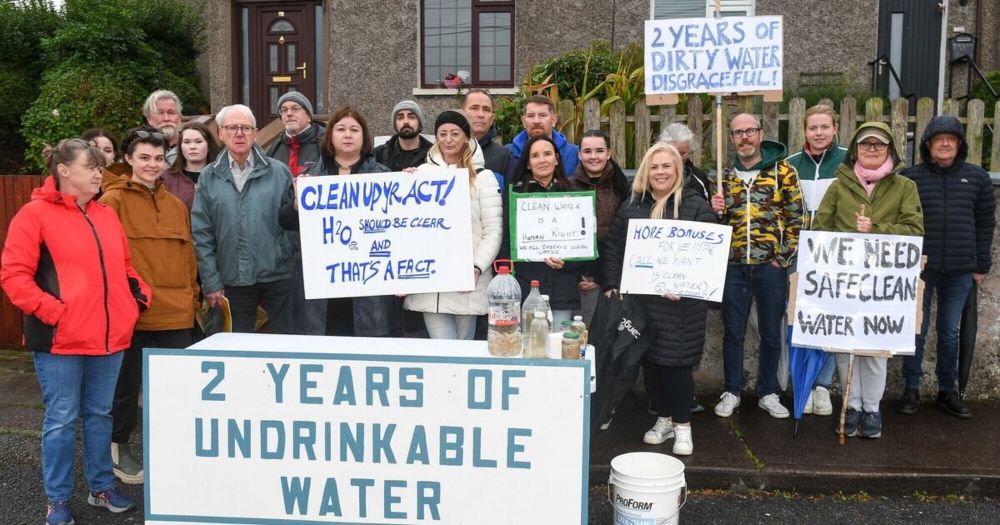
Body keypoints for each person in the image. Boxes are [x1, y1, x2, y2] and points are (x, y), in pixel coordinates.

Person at [1, 139, 150, 524]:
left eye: (101, 167)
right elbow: (14, 275)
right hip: (60, 338)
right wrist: (54, 312)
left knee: (100, 414)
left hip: (109, 336)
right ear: (64, 171)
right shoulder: (33, 215)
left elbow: (126, 267)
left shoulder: (105, 214)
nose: (100, 173)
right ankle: (58, 500)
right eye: (92, 166)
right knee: (62, 418)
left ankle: (101, 488)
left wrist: (136, 300)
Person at [99, 127, 199, 485]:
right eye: (144, 157)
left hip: (176, 312)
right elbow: (107, 259)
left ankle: (176, 450)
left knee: (179, 389)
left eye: (159, 158)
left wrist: (192, 300)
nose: (153, 165)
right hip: (133, 314)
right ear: (128, 159)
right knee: (125, 388)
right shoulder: (112, 201)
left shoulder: (175, 205)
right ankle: (119, 447)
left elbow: (188, 258)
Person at [603, 142, 716, 455]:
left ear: (677, 170)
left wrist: (685, 284)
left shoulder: (694, 205)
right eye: (654, 166)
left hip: (681, 307)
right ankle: (664, 419)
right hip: (643, 304)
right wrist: (612, 283)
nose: (660, 172)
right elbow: (614, 247)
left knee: (676, 368)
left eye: (667, 166)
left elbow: (710, 252)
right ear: (645, 171)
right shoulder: (632, 205)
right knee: (651, 366)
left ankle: (683, 427)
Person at [812, 122, 923, 438]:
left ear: (890, 149)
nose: (872, 149)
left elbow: (915, 231)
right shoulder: (838, 186)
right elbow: (821, 229)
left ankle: (872, 410)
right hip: (844, 281)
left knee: (874, 350)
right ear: (855, 150)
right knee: (844, 346)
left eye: (879, 144)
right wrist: (847, 242)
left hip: (882, 286)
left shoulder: (905, 188)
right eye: (865, 144)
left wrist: (877, 229)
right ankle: (851, 406)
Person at [897, 115, 997, 418]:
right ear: (927, 145)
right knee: (915, 330)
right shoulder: (909, 178)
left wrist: (981, 265)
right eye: (938, 139)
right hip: (918, 267)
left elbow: (985, 224)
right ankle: (911, 388)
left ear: (959, 144)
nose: (944, 143)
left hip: (960, 269)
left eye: (950, 139)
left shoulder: (978, 178)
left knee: (950, 332)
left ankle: (946, 390)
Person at [710, 113, 803, 419]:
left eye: (750, 131)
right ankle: (732, 391)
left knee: (770, 332)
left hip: (770, 267)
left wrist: (782, 258)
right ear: (731, 138)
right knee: (733, 332)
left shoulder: (783, 171)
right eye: (738, 133)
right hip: (734, 267)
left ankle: (768, 392)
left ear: (761, 134)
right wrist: (717, 211)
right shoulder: (723, 175)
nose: (744, 137)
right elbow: (716, 226)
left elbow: (797, 217)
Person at [278, 106, 402, 337]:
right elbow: (285, 221)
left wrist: (410, 185)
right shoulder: (310, 177)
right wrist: (297, 202)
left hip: (367, 287)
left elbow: (400, 229)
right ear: (331, 137)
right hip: (321, 286)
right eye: (341, 129)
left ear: (364, 137)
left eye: (354, 130)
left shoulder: (383, 177)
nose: (347, 134)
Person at [192, 104, 297, 334]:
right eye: (231, 128)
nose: (239, 133)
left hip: (278, 276)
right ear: (220, 133)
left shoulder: (279, 172)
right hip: (232, 279)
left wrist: (286, 259)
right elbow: (202, 233)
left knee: (285, 345)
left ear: (255, 133)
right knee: (238, 349)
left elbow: (293, 223)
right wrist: (210, 281)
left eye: (245, 128)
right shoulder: (209, 177)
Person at [403, 111, 502, 339]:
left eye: (455, 133)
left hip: (466, 279)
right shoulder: (421, 174)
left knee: (463, 347)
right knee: (442, 348)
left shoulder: (483, 178)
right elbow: (407, 227)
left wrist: (477, 266)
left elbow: (493, 230)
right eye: (442, 134)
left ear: (466, 138)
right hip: (431, 283)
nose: (448, 139)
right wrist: (404, 184)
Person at [785, 104, 849, 417]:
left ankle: (822, 384)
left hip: (836, 254)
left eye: (825, 127)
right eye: (813, 128)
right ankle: (803, 383)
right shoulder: (791, 164)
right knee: (799, 318)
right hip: (799, 253)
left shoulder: (849, 160)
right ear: (804, 130)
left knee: (829, 318)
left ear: (835, 128)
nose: (819, 133)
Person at [501, 135, 585, 327]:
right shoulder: (515, 192)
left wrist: (567, 263)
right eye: (535, 155)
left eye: (547, 154)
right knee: (530, 342)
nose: (542, 160)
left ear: (557, 158)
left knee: (559, 341)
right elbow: (506, 236)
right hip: (527, 282)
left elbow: (583, 243)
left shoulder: (574, 193)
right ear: (528, 163)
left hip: (563, 283)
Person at [572, 129, 629, 323]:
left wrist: (603, 278)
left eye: (599, 150)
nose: (593, 156)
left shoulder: (622, 187)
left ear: (609, 153)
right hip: (578, 277)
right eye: (587, 151)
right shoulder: (568, 187)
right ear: (579, 154)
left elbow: (623, 234)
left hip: (614, 276)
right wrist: (582, 275)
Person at [505, 95, 579, 181]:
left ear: (553, 120)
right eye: (531, 116)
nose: (536, 121)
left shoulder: (574, 154)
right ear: (523, 121)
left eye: (542, 115)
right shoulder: (508, 153)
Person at [162, 122, 219, 210]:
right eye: (187, 142)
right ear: (180, 147)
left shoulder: (222, 177)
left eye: (198, 141)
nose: (192, 147)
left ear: (209, 146)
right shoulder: (166, 179)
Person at [462, 88, 513, 185]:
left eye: (486, 109)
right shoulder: (445, 153)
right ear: (462, 113)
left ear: (492, 118)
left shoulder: (504, 156)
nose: (481, 114)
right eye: (474, 108)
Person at [267, 91, 324, 177]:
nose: (289, 114)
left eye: (295, 109)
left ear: (308, 116)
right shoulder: (275, 148)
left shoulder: (325, 143)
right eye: (284, 110)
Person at [373, 100, 433, 171]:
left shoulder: (434, 155)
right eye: (400, 118)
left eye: (412, 117)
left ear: (419, 123)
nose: (406, 122)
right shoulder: (378, 155)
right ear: (395, 124)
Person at [659, 123, 711, 201]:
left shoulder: (699, 177)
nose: (678, 158)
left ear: (689, 150)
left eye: (682, 153)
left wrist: (714, 208)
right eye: (673, 153)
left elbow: (707, 207)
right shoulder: (656, 177)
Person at [142, 90, 183, 168]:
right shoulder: (139, 149)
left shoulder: (192, 147)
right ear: (149, 119)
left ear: (179, 118)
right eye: (160, 113)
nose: (166, 118)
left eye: (171, 113)